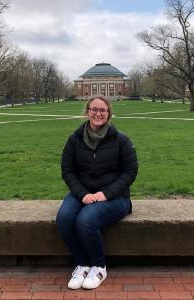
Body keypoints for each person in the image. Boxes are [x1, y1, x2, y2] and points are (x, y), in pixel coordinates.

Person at [56, 96, 138, 290]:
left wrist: (106, 194)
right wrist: (83, 194)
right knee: (64, 218)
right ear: (87, 111)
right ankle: (83, 264)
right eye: (94, 109)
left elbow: (130, 172)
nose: (98, 114)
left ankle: (99, 266)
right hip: (83, 193)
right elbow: (68, 171)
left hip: (116, 197)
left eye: (102, 110)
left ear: (109, 113)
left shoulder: (121, 140)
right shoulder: (74, 139)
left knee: (86, 220)